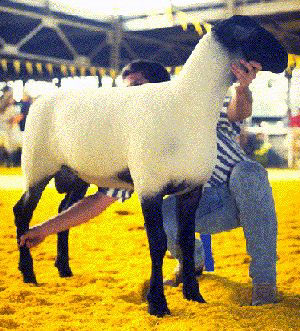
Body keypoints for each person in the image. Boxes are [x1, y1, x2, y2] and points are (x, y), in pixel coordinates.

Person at [19, 59, 277, 306]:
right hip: (201, 208)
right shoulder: (134, 142)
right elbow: (100, 200)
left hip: (240, 194)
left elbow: (237, 111)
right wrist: (45, 228)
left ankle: (264, 281)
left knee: (248, 173)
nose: (128, 98)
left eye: (136, 88)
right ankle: (192, 264)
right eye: (125, 91)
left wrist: (242, 88)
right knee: (163, 216)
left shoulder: (194, 106)